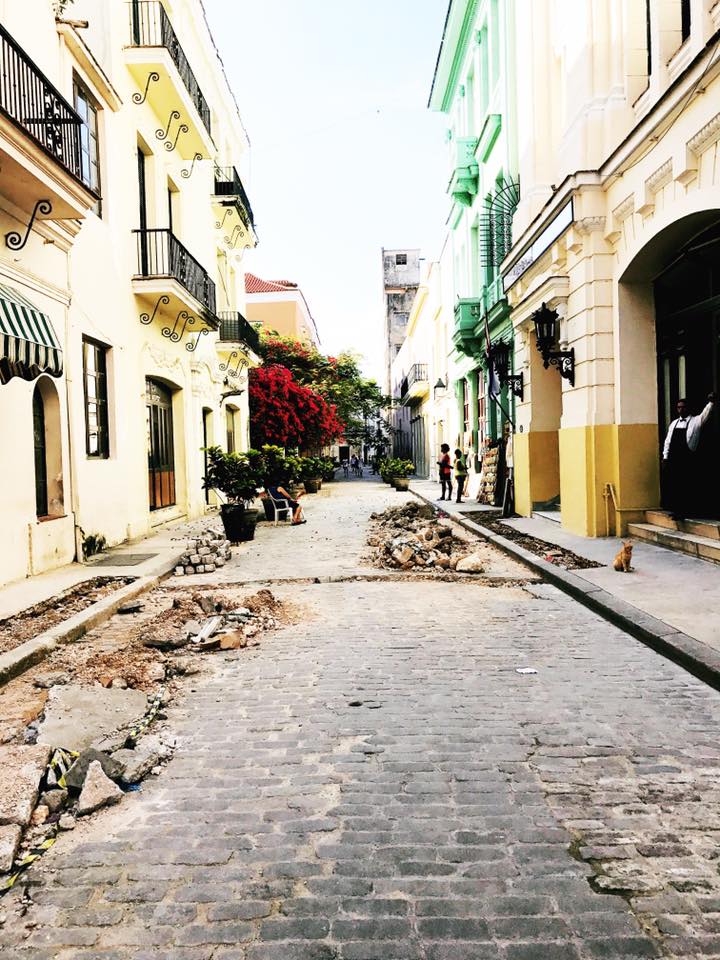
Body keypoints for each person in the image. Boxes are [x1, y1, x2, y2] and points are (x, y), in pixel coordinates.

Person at [662, 392, 716, 520]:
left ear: (688, 408)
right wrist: (665, 457)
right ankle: (675, 510)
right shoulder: (674, 423)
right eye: (679, 407)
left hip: (688, 459)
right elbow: (668, 441)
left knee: (687, 484)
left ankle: (686, 511)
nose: (681, 409)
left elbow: (705, 414)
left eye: (683, 407)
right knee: (675, 485)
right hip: (675, 458)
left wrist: (711, 402)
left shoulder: (696, 421)